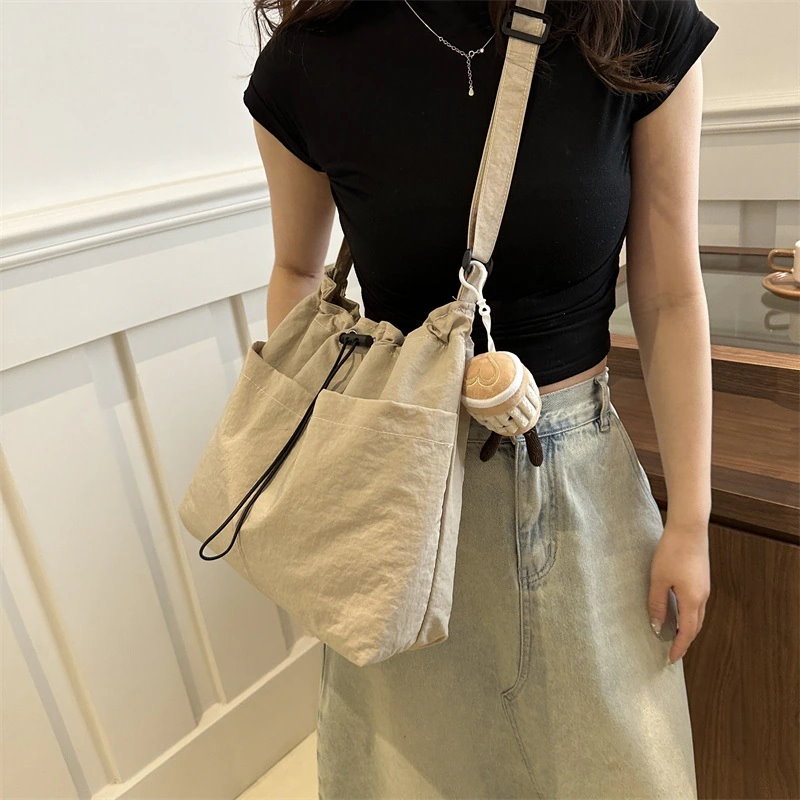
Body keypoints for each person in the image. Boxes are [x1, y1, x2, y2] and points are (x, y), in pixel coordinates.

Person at [242, 1, 718, 797]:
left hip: (584, 489)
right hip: (396, 497)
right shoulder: (309, 54)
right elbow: (297, 270)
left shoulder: (630, 18)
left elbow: (670, 294)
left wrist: (691, 523)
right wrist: (315, 469)